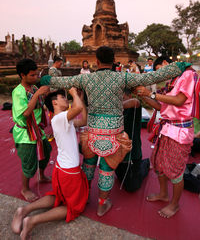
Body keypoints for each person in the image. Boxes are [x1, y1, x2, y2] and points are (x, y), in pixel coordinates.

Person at [40, 46, 191, 216]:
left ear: (96, 62)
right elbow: (151, 77)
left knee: (88, 166)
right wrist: (177, 67)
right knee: (106, 170)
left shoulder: (86, 79)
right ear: (113, 61)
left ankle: (86, 196)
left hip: (92, 133)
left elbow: (62, 82)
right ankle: (102, 205)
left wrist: (45, 79)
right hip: (113, 134)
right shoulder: (123, 77)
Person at [11, 88, 89, 239]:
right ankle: (32, 221)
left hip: (62, 168)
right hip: (69, 171)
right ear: (54, 102)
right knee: (72, 207)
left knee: (58, 197)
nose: (67, 100)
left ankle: (24, 211)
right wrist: (74, 94)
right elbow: (77, 108)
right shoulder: (60, 118)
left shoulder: (63, 118)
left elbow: (83, 119)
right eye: (63, 97)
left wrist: (80, 99)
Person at [136, 56, 197, 218]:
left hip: (180, 132)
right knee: (157, 163)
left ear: (165, 64)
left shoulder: (188, 74)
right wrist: (143, 95)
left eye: (159, 72)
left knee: (176, 170)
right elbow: (160, 105)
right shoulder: (173, 80)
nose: (161, 76)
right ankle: (163, 194)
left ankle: (175, 205)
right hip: (167, 128)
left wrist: (152, 94)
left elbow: (179, 100)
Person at [12, 59, 52, 202]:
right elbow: (25, 114)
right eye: (32, 75)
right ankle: (25, 188)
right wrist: (37, 95)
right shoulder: (18, 92)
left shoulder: (34, 88)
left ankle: (41, 175)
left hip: (37, 129)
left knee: (46, 151)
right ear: (23, 75)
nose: (36, 78)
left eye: (36, 75)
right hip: (25, 132)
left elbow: (40, 105)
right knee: (28, 161)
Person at [115, 88, 150, 192]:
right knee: (119, 178)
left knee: (132, 187)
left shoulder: (134, 107)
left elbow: (136, 102)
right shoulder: (117, 112)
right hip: (119, 155)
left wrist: (113, 107)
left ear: (129, 96)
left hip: (133, 155)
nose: (119, 101)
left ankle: (145, 164)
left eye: (122, 98)